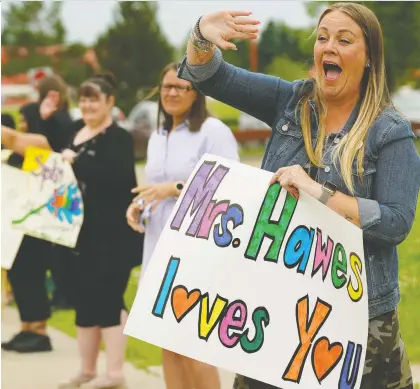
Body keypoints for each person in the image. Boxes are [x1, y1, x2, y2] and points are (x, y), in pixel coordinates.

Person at [177, 3, 420, 389]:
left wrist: (319, 193)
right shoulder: (290, 101)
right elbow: (209, 74)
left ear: (370, 57)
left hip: (357, 321)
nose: (328, 47)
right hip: (274, 309)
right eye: (322, 38)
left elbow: (395, 224)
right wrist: (201, 35)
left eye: (344, 39)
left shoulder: (390, 132)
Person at [2, 73, 143, 389]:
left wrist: (75, 163)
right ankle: (87, 369)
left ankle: (115, 373)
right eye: (84, 99)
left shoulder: (117, 137)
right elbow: (48, 148)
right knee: (83, 300)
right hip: (75, 234)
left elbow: (117, 179)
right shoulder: (75, 131)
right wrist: (46, 117)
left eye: (95, 98)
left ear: (110, 102)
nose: (89, 105)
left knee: (108, 300)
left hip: (109, 236)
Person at [126, 62, 239, 389]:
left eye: (181, 87)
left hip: (198, 251)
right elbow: (155, 187)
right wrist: (140, 207)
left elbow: (231, 187)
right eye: (166, 87)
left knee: (193, 344)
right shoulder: (158, 135)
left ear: (196, 93)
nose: (172, 93)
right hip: (160, 247)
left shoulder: (212, 132)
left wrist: (173, 189)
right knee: (168, 339)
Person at [1, 74, 74, 353]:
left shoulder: (44, 139)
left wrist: (22, 127)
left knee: (31, 272)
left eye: (24, 119)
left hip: (37, 219)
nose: (21, 123)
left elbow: (17, 138)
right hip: (20, 218)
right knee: (19, 273)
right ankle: (27, 327)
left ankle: (40, 330)